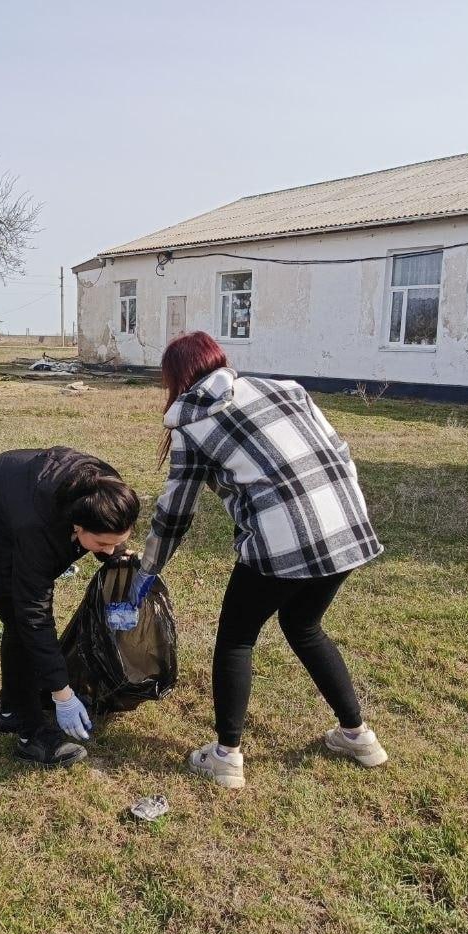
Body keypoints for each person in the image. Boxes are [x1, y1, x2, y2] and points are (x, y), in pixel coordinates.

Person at [129, 331, 387, 789]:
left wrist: (146, 571)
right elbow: (339, 452)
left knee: (236, 639)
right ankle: (358, 736)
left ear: (175, 378)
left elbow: (175, 514)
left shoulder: (192, 422)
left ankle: (226, 757)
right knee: (303, 625)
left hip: (282, 543)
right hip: (347, 528)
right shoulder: (286, 389)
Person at [0, 447, 139, 767]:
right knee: (21, 622)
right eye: (102, 543)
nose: (109, 549)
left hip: (16, 500)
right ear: (76, 526)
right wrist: (62, 694)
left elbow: (108, 531)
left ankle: (12, 709)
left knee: (19, 624)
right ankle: (31, 735)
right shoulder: (37, 527)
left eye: (117, 540)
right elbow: (33, 614)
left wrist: (117, 552)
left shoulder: (108, 490)